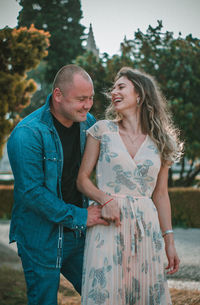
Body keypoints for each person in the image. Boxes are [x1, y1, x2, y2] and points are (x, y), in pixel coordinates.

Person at [77, 67, 183, 305]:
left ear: (140, 95)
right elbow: (82, 179)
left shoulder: (162, 140)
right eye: (113, 87)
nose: (113, 91)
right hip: (108, 223)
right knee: (105, 293)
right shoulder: (102, 130)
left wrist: (169, 241)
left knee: (144, 295)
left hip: (147, 226)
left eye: (121, 86)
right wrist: (105, 199)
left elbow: (161, 194)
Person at [7, 64, 108, 305]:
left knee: (104, 294)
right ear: (58, 95)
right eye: (81, 99)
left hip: (78, 235)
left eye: (91, 98)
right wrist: (83, 216)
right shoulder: (27, 133)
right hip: (40, 238)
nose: (88, 105)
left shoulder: (88, 123)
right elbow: (32, 194)